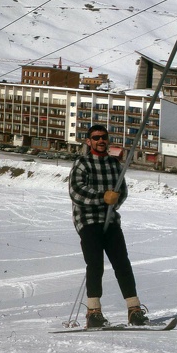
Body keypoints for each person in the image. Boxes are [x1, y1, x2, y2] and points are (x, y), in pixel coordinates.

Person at [69, 124, 149, 328]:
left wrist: (115, 201)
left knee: (122, 263)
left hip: (110, 220)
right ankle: (93, 312)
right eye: (96, 138)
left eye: (103, 137)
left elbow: (121, 190)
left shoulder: (114, 164)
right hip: (87, 220)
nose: (100, 140)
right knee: (95, 264)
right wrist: (102, 197)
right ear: (89, 141)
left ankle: (134, 310)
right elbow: (76, 192)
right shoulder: (82, 164)